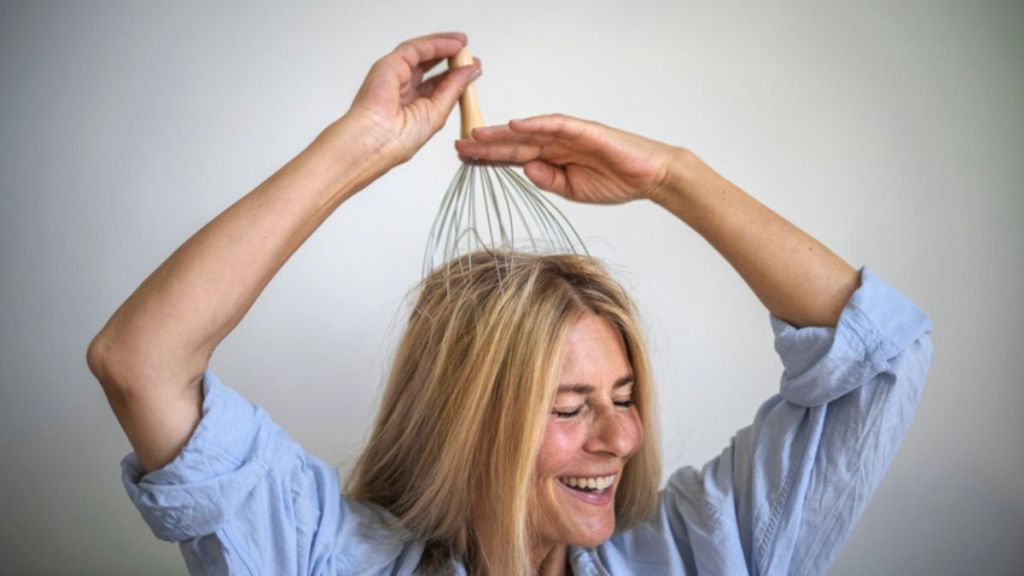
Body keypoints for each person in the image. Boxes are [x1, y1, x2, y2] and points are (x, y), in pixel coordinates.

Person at [87, 32, 933, 575]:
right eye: (571, 406)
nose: (624, 438)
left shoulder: (694, 555)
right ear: (467, 422)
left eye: (625, 398)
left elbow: (875, 361)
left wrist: (675, 178)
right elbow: (141, 361)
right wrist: (358, 149)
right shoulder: (319, 555)